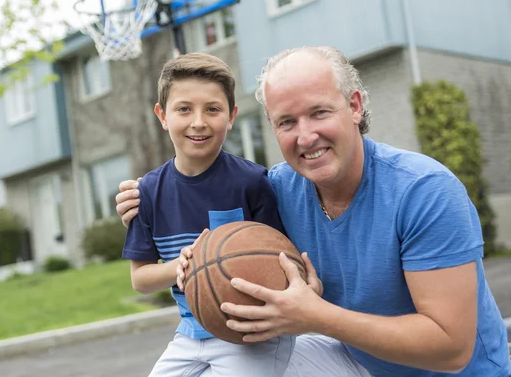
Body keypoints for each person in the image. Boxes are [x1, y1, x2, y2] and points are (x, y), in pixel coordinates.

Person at [116, 46, 511, 377]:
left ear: (354, 106)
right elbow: (208, 200)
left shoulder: (423, 190)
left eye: (319, 113)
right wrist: (143, 197)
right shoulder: (277, 187)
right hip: (357, 362)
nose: (305, 136)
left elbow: (451, 348)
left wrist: (315, 315)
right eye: (286, 121)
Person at [121, 52, 297, 377]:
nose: (198, 121)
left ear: (231, 116)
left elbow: (280, 263)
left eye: (212, 109)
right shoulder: (145, 192)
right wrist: (185, 266)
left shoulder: (252, 182)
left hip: (251, 334)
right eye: (184, 109)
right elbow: (140, 279)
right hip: (190, 333)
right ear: (162, 115)